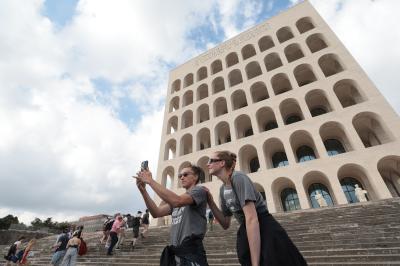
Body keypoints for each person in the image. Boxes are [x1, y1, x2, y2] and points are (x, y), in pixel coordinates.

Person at [206, 151, 307, 266]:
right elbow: (225, 223)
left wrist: (255, 263)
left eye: (211, 161)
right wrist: (211, 202)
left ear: (222, 163)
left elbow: (252, 219)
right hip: (247, 229)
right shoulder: (222, 190)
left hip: (264, 227)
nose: (207, 164)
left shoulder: (238, 178)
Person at [135, 163, 209, 266]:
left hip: (191, 252)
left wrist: (150, 181)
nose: (182, 177)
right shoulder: (178, 199)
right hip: (176, 254)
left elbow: (177, 201)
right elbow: (156, 212)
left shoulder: (199, 191)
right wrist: (143, 191)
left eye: (186, 174)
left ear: (196, 177)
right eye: (180, 176)